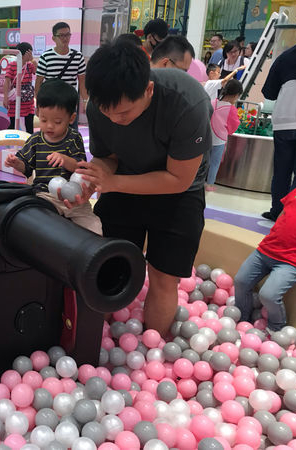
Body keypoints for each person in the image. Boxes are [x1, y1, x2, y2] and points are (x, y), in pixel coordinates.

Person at [72, 41, 212, 336]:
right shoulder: (99, 106)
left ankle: (154, 345)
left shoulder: (187, 102)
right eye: (107, 112)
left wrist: (113, 183)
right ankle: (94, 338)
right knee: (107, 263)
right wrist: (92, 179)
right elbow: (109, 157)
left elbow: (179, 179)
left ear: (148, 90)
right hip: (125, 181)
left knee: (163, 275)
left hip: (179, 193)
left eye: (124, 113)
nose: (115, 120)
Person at [4, 79, 102, 235]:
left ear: (71, 118)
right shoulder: (35, 140)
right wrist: (16, 163)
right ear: (38, 113)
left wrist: (65, 159)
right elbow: (26, 167)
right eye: (44, 120)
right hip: (45, 196)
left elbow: (79, 167)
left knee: (94, 227)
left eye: (57, 121)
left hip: (74, 198)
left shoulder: (73, 138)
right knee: (40, 229)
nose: (49, 126)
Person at [234, 183, 296, 332]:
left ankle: (275, 328)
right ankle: (243, 320)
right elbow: (283, 213)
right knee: (240, 281)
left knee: (268, 295)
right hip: (267, 250)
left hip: (293, 261)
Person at [261, 16, 296, 222]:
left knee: (281, 170)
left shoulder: (285, 57)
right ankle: (293, 216)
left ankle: (276, 211)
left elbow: (269, 93)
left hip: (284, 121)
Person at [35, 22, 87, 129]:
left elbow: (82, 82)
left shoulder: (78, 56)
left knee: (71, 132)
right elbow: (38, 83)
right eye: (61, 35)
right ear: (54, 38)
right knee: (51, 130)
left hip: (69, 102)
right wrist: (38, 105)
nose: (65, 38)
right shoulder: (46, 57)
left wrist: (86, 101)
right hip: (50, 101)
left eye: (67, 35)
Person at [205, 79, 243, 191]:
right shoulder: (231, 109)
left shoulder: (212, 102)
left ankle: (198, 181)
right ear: (236, 95)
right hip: (219, 140)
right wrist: (228, 132)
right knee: (214, 163)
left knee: (203, 161)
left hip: (206, 138)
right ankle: (209, 184)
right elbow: (234, 125)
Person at [3, 42, 36, 134]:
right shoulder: (12, 65)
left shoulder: (30, 65)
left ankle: (30, 141)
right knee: (13, 124)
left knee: (29, 124)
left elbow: (37, 70)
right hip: (15, 100)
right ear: (25, 53)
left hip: (28, 100)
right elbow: (7, 82)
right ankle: (8, 138)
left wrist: (32, 60)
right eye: (30, 53)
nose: (30, 55)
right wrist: (5, 98)